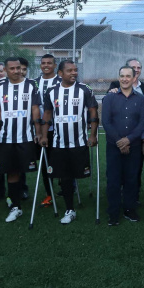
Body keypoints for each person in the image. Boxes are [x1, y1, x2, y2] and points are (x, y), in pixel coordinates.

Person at [0, 57, 41, 222]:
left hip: (23, 138)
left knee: (14, 172)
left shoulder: (31, 85)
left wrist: (38, 132)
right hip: (3, 138)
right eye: (12, 68)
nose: (16, 71)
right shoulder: (0, 87)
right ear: (5, 69)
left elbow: (35, 110)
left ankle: (16, 207)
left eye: (18, 68)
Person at [38, 60, 98, 225]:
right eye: (70, 70)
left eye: (75, 70)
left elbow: (93, 112)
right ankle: (69, 209)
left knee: (77, 174)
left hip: (79, 142)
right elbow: (47, 115)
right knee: (64, 177)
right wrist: (43, 136)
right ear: (60, 74)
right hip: (59, 143)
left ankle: (75, 199)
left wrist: (92, 135)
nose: (74, 73)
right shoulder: (51, 91)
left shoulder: (84, 89)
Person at [102, 65, 144, 225]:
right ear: (119, 77)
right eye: (122, 76)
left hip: (133, 147)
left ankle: (130, 209)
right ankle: (113, 212)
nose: (125, 79)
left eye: (128, 76)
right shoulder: (109, 98)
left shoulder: (141, 99)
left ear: (134, 78)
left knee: (131, 179)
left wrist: (129, 140)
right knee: (113, 180)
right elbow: (106, 122)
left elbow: (143, 122)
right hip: (113, 147)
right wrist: (120, 142)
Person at [34, 54, 60, 205]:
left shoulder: (61, 82)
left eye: (49, 63)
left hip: (59, 128)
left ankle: (67, 187)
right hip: (42, 129)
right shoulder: (34, 83)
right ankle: (49, 193)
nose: (46, 65)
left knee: (61, 160)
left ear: (55, 65)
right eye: (43, 63)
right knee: (45, 162)